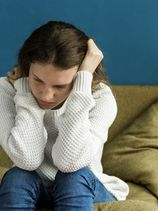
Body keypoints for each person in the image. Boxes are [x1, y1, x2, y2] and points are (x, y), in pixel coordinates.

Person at [0, 21, 129, 210]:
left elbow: (69, 163)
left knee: (72, 178)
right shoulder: (7, 89)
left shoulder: (100, 97)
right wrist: (26, 94)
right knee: (17, 176)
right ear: (27, 67)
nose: (45, 95)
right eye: (37, 80)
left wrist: (82, 86)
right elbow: (27, 160)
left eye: (59, 86)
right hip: (33, 186)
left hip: (83, 185)